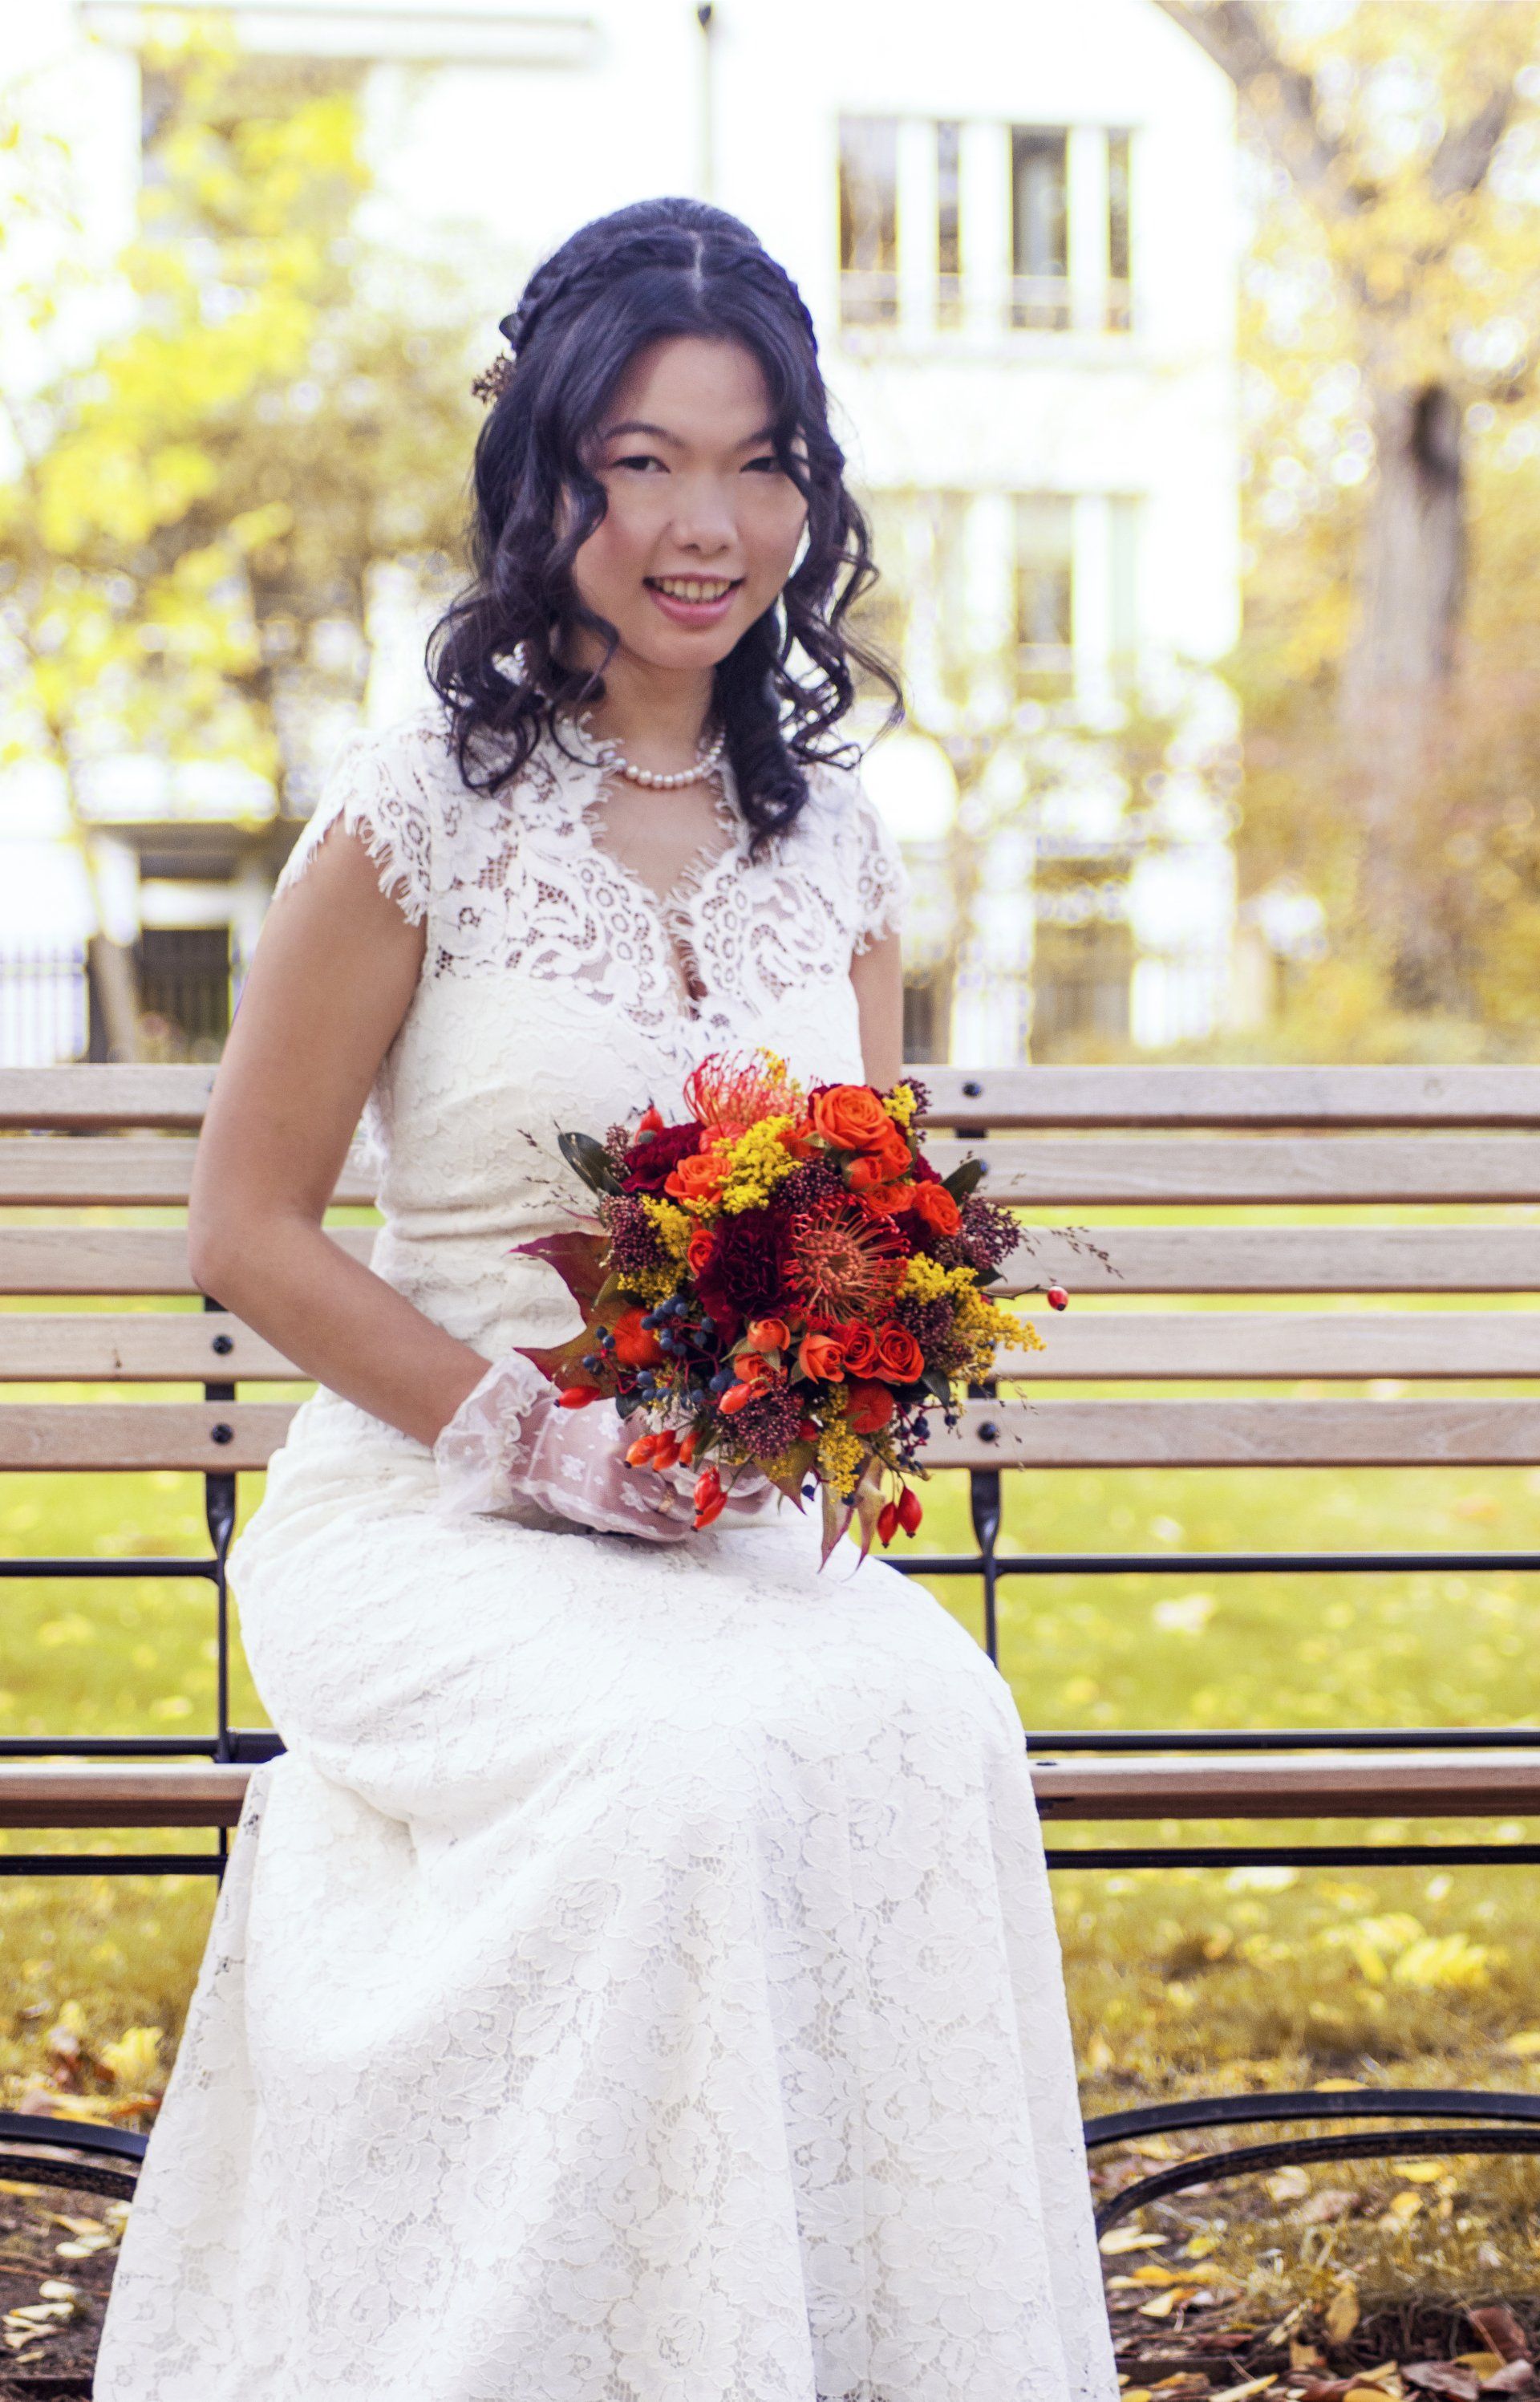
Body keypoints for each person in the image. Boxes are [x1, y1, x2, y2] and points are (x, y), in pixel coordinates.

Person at [94, 197, 1118, 2402]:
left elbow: (855, 1209)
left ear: (811, 496)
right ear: (545, 476)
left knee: (938, 1722)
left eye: (757, 465)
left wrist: (813, 1395)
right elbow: (245, 1226)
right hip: (431, 1510)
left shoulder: (836, 843)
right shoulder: (415, 819)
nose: (702, 526)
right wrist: (533, 1440)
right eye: (640, 462)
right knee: (679, 1777)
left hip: (716, 1521)